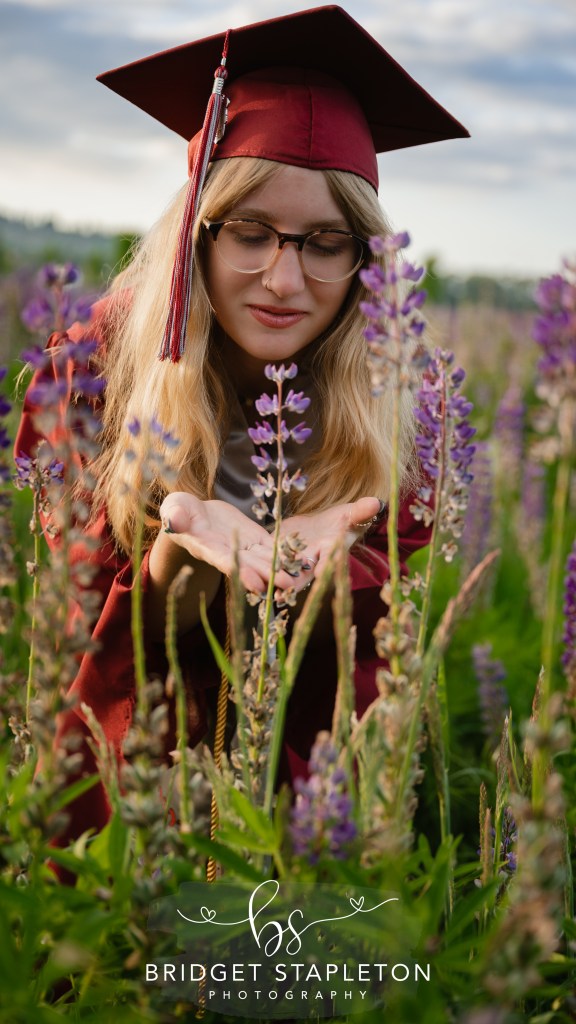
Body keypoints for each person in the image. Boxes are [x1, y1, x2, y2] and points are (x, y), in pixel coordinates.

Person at [16, 6, 468, 842]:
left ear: (366, 260)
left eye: (325, 243)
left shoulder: (400, 402)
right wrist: (171, 563)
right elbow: (69, 644)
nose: (284, 280)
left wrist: (334, 580)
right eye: (250, 234)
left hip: (290, 811)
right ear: (197, 234)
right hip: (128, 809)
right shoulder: (89, 375)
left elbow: (370, 684)